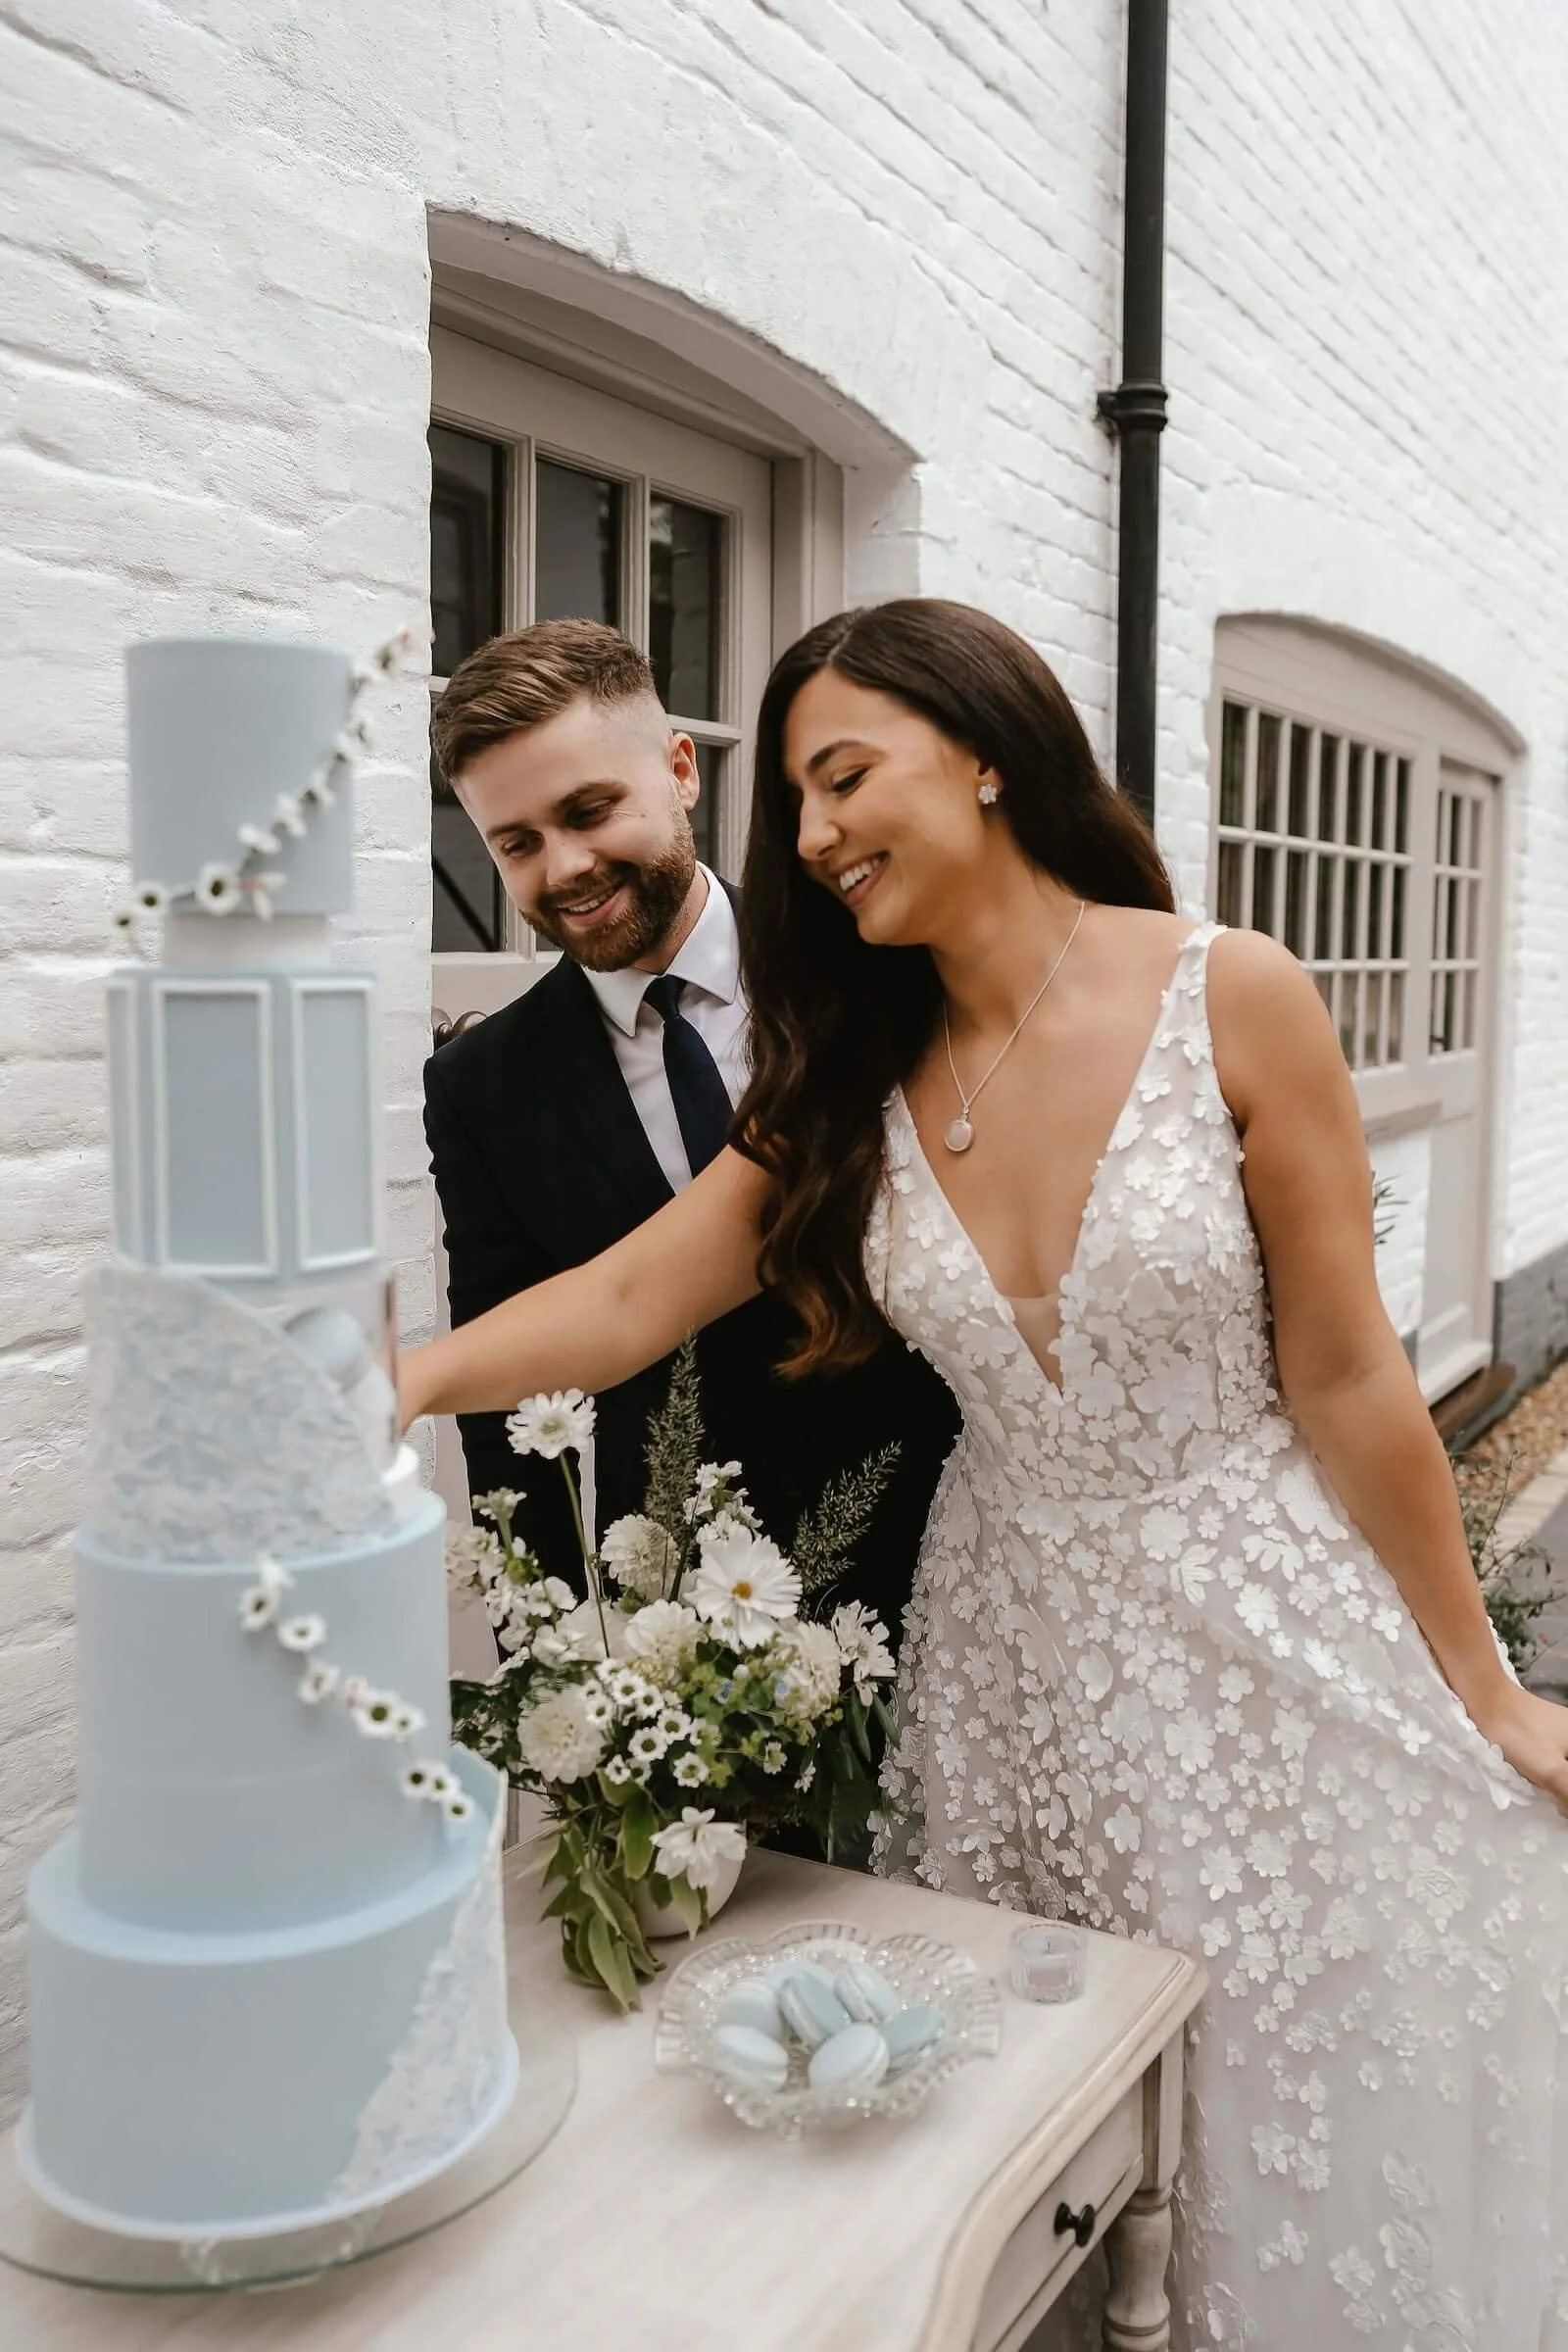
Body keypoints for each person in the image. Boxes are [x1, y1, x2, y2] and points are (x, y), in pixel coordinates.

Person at [405, 599, 1568, 2348]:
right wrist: (384, 1378)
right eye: (796, 802)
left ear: (988, 753)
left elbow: (1348, 1376)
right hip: (999, 1666)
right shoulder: (846, 1071)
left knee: (1308, 2074)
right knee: (1044, 2131)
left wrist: (1484, 1684)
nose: (811, 838)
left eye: (845, 776)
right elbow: (634, 1292)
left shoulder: (1229, 990)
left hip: (1260, 1636)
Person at [423, 618, 956, 1630]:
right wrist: (557, 1634)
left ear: (680, 772)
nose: (566, 866)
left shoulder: (866, 969)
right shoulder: (478, 1087)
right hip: (681, 1616)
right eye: (519, 843)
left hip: (944, 1549)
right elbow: (504, 1400)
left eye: (590, 810)